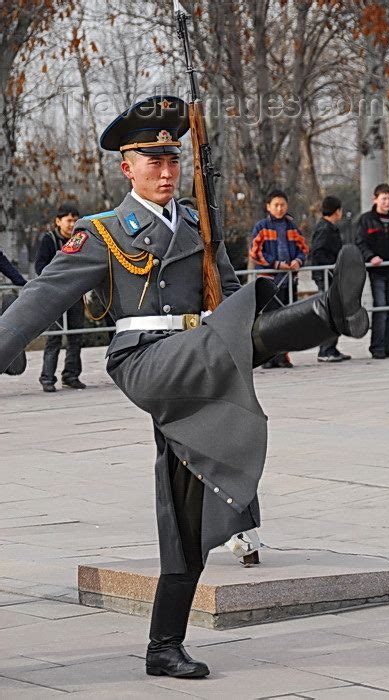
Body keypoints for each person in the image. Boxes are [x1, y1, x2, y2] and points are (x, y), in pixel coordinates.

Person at [0, 95, 369, 679]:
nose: (166, 171)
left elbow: (223, 299)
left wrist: (251, 290)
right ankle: (327, 312)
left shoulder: (197, 223)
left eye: (173, 160)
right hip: (147, 361)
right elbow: (42, 296)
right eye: (152, 161)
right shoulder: (102, 232)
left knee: (188, 505)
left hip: (200, 361)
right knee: (223, 339)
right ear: (127, 167)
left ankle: (164, 646)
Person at [249, 188, 308, 368]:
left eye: (283, 205)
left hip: (289, 280)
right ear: (268, 207)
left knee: (286, 319)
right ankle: (268, 357)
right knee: (268, 320)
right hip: (269, 280)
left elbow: (303, 248)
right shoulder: (261, 227)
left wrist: (298, 261)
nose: (280, 208)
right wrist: (275, 264)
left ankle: (283, 356)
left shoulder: (292, 226)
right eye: (276, 205)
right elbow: (255, 252)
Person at [356, 183, 389, 359]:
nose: (387, 202)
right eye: (384, 198)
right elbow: (360, 242)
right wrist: (371, 257)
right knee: (380, 308)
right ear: (375, 199)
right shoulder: (366, 220)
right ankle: (377, 347)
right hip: (377, 272)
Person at [35, 204, 86, 392]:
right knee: (54, 338)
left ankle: (71, 375)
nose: (72, 224)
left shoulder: (81, 239)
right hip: (54, 296)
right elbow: (40, 266)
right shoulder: (49, 240)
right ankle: (47, 377)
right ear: (58, 221)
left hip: (76, 294)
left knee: (76, 337)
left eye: (75, 220)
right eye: (69, 220)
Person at [310, 196, 351, 362]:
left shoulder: (329, 228)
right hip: (326, 277)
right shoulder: (325, 230)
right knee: (330, 313)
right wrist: (332, 267)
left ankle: (331, 347)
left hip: (330, 276)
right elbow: (319, 252)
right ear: (337, 211)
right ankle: (326, 349)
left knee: (335, 312)